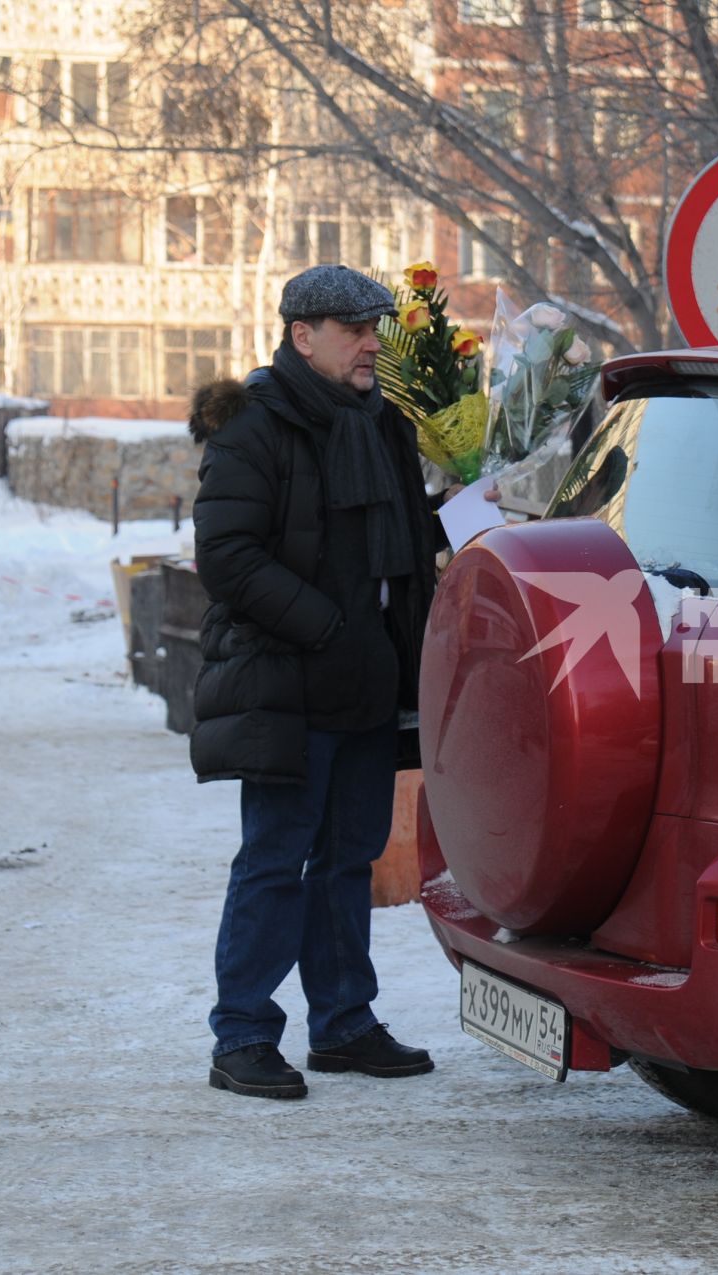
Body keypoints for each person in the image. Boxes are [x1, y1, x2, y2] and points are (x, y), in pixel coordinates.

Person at [188, 264, 441, 1099]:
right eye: (352, 328)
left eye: (375, 326)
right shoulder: (255, 428)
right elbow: (228, 557)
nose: (372, 342)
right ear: (302, 335)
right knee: (275, 858)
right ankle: (244, 1035)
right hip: (289, 684)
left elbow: (413, 538)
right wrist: (326, 626)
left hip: (369, 682)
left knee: (349, 859)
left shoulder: (385, 424)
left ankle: (343, 1022)